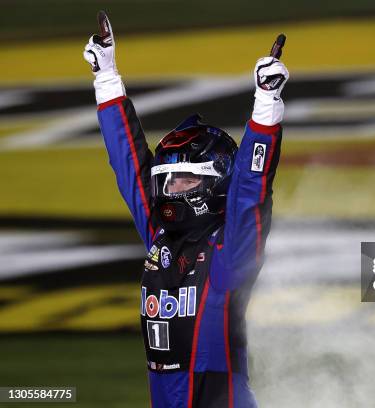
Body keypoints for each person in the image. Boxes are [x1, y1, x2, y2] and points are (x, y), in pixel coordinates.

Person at [83, 12, 288, 408]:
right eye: (167, 181)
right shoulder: (160, 237)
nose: (170, 192)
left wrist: (266, 104)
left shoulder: (230, 258)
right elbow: (129, 166)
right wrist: (105, 77)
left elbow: (251, 191)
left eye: (184, 180)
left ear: (215, 181)